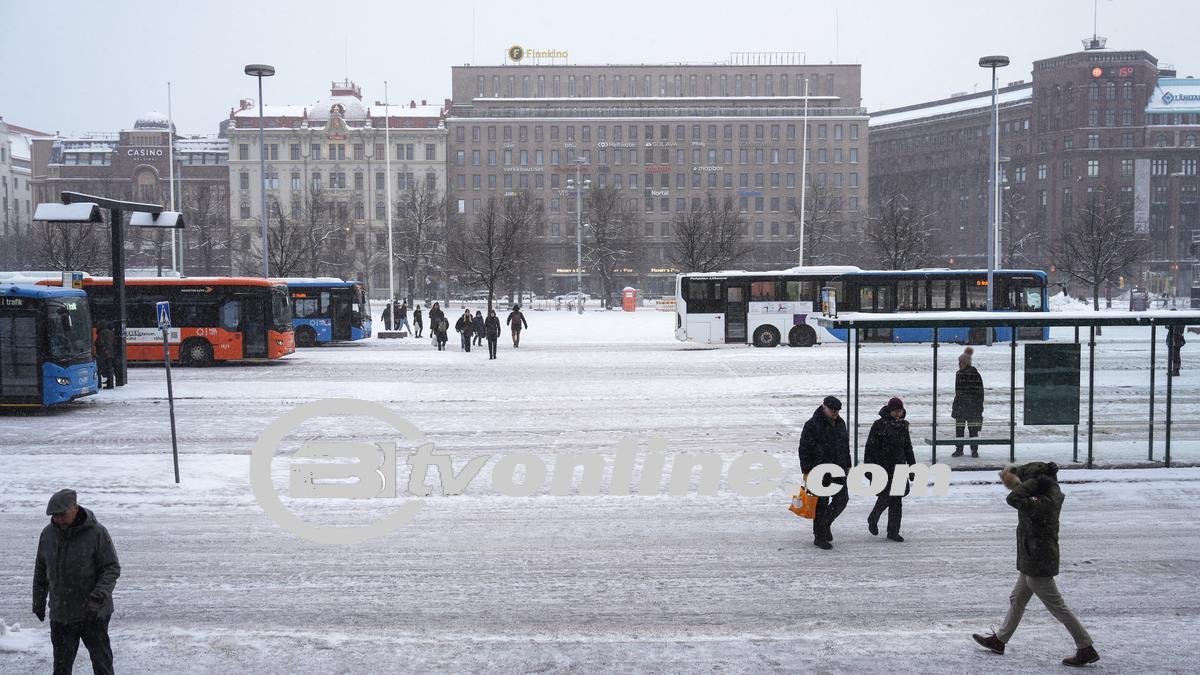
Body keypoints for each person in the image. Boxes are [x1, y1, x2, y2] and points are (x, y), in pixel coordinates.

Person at [973, 462, 1099, 667]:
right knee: (1017, 598)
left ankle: (1085, 647)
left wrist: (1030, 484)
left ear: (1037, 482)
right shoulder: (1043, 491)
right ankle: (999, 640)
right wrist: (1016, 477)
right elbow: (1020, 484)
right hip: (1031, 556)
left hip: (1039, 559)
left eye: (1029, 481)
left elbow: (1013, 498)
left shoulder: (1046, 499)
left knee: (1057, 606)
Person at [33, 489, 121, 675]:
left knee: (102, 663)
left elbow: (111, 568)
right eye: (55, 516)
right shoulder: (48, 534)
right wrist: (38, 601)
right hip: (61, 613)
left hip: (93, 613)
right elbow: (41, 570)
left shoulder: (97, 532)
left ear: (75, 508)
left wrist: (97, 597)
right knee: (62, 667)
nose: (59, 520)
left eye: (62, 514)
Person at [797, 395, 851, 550]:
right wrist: (806, 470)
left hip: (838, 469)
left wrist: (847, 464)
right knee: (821, 504)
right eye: (832, 410)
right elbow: (804, 449)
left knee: (842, 499)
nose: (835, 413)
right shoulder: (812, 425)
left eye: (837, 411)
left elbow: (844, 445)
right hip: (818, 469)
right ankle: (819, 537)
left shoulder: (841, 424)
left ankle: (825, 524)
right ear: (824, 407)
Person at [864, 397, 916, 542]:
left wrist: (912, 467)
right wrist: (869, 469)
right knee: (886, 496)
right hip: (883, 467)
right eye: (895, 411)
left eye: (900, 411)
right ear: (889, 410)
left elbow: (908, 448)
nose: (898, 414)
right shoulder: (879, 425)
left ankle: (893, 531)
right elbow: (870, 447)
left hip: (899, 466)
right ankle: (873, 517)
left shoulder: (903, 426)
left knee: (896, 500)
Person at [952, 346, 985, 457]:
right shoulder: (966, 373)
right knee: (972, 430)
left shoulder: (968, 374)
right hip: (969, 407)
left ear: (964, 363)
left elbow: (974, 392)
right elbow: (979, 392)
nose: (959, 364)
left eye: (960, 362)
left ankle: (960, 449)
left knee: (961, 429)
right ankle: (973, 450)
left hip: (967, 407)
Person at [94, 321, 116, 390]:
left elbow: (99, 343)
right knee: (109, 369)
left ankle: (99, 384)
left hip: (102, 354)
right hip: (110, 354)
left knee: (99, 369)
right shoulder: (111, 332)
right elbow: (114, 342)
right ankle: (110, 384)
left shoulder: (101, 333)